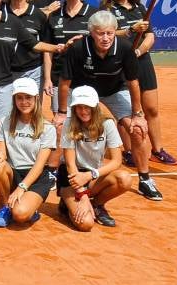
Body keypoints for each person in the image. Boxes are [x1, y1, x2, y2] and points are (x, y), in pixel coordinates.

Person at [59, 10, 162, 202]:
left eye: (109, 33)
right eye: (100, 33)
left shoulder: (125, 48)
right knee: (60, 127)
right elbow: (65, 82)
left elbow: (133, 82)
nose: (105, 38)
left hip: (115, 90)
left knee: (138, 129)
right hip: (83, 91)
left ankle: (145, 179)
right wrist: (61, 112)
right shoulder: (78, 48)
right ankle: (57, 173)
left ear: (115, 31)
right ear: (91, 32)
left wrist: (137, 114)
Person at [101, 0, 175, 165]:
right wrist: (130, 31)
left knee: (151, 109)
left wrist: (137, 53)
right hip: (119, 64)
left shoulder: (140, 8)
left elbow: (150, 36)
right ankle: (128, 151)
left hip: (142, 62)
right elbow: (106, 34)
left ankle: (157, 150)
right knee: (126, 110)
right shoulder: (107, 10)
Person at [59, 85, 138, 229]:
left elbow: (117, 161)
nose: (83, 111)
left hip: (92, 176)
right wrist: (82, 195)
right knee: (86, 224)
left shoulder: (107, 124)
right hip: (71, 178)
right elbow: (70, 165)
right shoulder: (69, 124)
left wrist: (90, 175)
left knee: (124, 179)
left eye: (87, 106)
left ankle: (96, 204)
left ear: (95, 106)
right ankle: (68, 202)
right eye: (79, 107)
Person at [0, 78, 57, 228]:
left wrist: (21, 188)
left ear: (36, 98)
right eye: (19, 97)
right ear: (14, 99)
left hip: (36, 177)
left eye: (28, 97)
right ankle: (6, 207)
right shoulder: (4, 122)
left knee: (20, 215)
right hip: (13, 173)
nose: (24, 102)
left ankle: (29, 209)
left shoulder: (48, 128)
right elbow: (2, 153)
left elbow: (39, 165)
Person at [42, 0, 92, 112]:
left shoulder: (93, 14)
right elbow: (48, 50)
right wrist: (47, 79)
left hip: (86, 77)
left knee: (87, 119)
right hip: (59, 77)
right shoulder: (54, 16)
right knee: (61, 120)